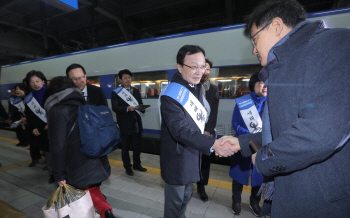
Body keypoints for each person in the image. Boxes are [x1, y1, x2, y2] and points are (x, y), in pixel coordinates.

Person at [221, 0, 350, 217]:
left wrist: (265, 159)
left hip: (319, 203)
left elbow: (320, 133)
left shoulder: (335, 45)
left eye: (254, 39)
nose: (253, 49)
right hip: (290, 195)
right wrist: (243, 142)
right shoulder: (285, 64)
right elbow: (284, 129)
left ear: (276, 26)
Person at [160, 45, 237, 218]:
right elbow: (179, 130)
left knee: (185, 199)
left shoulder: (195, 88)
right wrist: (213, 144)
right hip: (177, 160)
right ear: (179, 67)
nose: (199, 71)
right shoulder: (171, 94)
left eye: (202, 66)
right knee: (174, 205)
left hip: (192, 155)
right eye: (193, 66)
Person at [45, 76, 115, 218]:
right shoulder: (83, 105)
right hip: (94, 159)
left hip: (74, 163)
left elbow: (57, 145)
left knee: (78, 195)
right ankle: (106, 211)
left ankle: (98, 212)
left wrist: (58, 173)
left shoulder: (57, 110)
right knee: (90, 188)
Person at [230, 72, 267, 216]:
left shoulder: (272, 102)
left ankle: (254, 202)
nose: (265, 86)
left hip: (262, 146)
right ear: (254, 84)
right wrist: (250, 137)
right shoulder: (243, 101)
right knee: (239, 173)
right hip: (242, 143)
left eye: (267, 83)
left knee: (260, 174)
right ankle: (236, 201)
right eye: (262, 82)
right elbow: (235, 123)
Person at [111, 69, 147, 176]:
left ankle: (137, 164)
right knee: (125, 147)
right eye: (125, 77)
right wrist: (127, 108)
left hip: (136, 122)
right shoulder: (116, 92)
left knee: (137, 146)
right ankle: (127, 167)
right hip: (124, 123)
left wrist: (142, 108)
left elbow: (140, 103)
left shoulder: (135, 90)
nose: (127, 79)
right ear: (121, 79)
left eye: (129, 77)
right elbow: (115, 107)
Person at [196, 59, 219, 202]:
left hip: (206, 132)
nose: (205, 71)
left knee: (204, 161)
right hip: (191, 131)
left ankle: (201, 187)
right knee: (191, 159)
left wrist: (208, 130)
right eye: (202, 67)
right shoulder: (190, 87)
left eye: (208, 68)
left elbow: (214, 112)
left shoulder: (214, 89)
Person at [24, 71, 49, 168]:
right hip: (39, 127)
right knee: (44, 147)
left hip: (52, 125)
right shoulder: (29, 98)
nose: (35, 84)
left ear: (43, 81)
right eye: (32, 82)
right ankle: (49, 164)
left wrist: (51, 122)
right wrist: (33, 127)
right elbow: (29, 114)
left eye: (37, 81)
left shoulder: (50, 93)